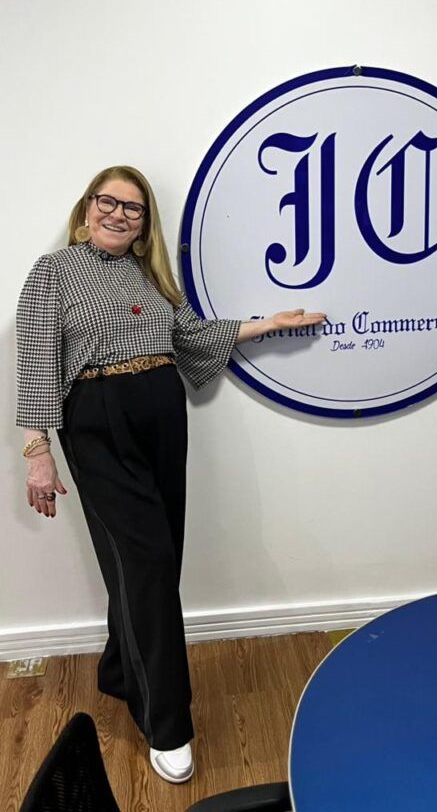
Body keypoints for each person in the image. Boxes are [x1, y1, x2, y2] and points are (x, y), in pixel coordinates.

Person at [16, 165, 325, 784]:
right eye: (108, 201)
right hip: (98, 418)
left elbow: (191, 338)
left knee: (157, 557)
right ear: (87, 208)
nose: (118, 214)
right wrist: (37, 451)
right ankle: (167, 723)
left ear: (143, 224)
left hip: (161, 414)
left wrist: (267, 325)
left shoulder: (150, 277)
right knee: (148, 562)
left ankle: (118, 669)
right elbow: (35, 359)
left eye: (133, 208)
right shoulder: (53, 272)